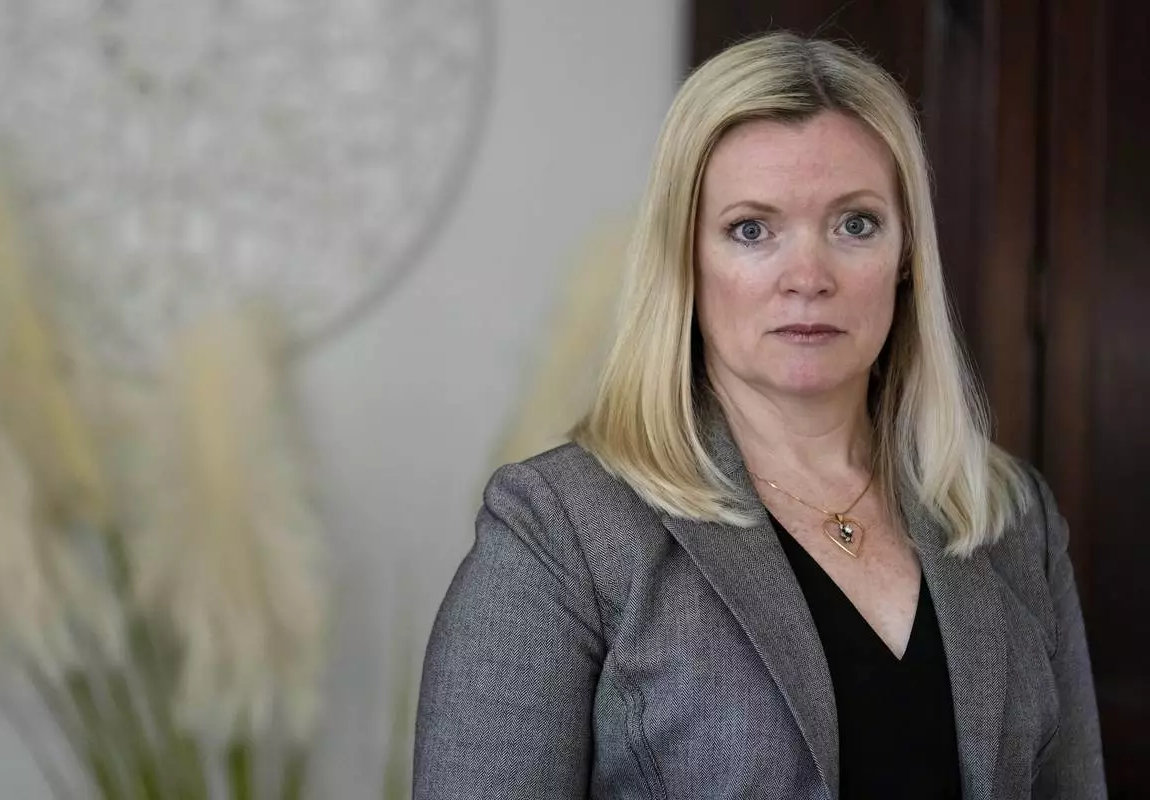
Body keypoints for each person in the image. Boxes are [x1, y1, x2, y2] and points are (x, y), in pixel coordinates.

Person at [412, 31, 1106, 799]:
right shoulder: (559, 530)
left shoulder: (1010, 518)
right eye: (752, 230)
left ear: (908, 254)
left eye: (855, 224)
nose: (807, 276)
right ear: (684, 257)